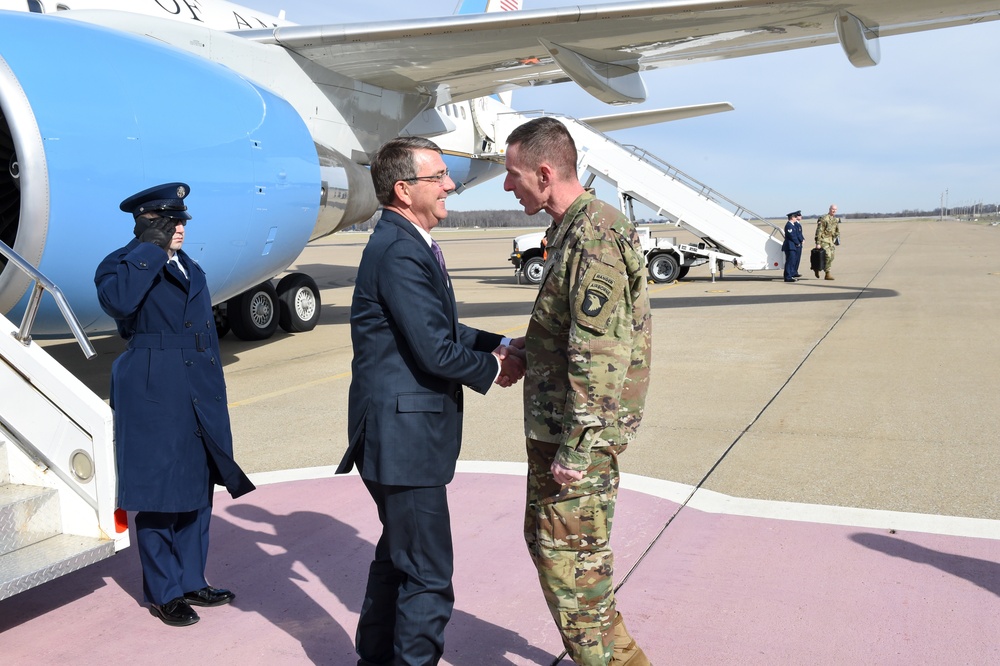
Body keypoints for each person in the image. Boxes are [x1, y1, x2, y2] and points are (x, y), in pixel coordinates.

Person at [336, 137, 523, 665]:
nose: (450, 185)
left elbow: (438, 326)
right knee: (428, 574)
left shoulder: (407, 241)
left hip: (399, 436)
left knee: (398, 560)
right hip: (404, 441)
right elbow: (436, 349)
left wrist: (499, 344)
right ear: (403, 189)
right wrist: (497, 368)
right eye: (438, 176)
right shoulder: (399, 249)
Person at [502, 117, 652, 666]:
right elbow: (573, 334)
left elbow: (602, 355)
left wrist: (578, 447)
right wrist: (528, 348)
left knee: (574, 573)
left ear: (545, 173)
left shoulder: (595, 237)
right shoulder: (571, 231)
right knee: (554, 556)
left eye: (512, 173)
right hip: (557, 431)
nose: (506, 184)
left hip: (574, 442)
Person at [94, 182, 255, 627]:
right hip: (153, 389)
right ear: (147, 222)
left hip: (197, 385)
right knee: (160, 492)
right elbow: (119, 302)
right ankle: (163, 592)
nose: (181, 227)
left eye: (182, 220)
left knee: (196, 488)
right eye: (171, 221)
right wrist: (149, 249)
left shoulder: (190, 267)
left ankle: (191, 580)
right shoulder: (121, 264)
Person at [814, 204, 841, 280]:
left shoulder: (835, 220)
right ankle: (827, 274)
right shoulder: (824, 218)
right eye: (833, 209)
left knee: (832, 257)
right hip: (823, 240)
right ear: (829, 209)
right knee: (828, 256)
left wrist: (836, 239)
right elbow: (819, 231)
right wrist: (818, 243)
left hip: (831, 240)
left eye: (835, 209)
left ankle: (817, 268)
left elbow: (837, 231)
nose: (834, 211)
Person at [782, 210, 804, 282]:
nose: (796, 218)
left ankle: (790, 275)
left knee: (792, 261)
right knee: (789, 261)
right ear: (792, 218)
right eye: (795, 217)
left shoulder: (792, 225)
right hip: (790, 246)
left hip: (792, 246)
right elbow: (792, 236)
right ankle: (788, 277)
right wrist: (798, 242)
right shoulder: (789, 225)